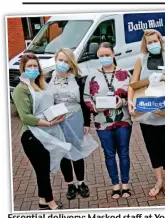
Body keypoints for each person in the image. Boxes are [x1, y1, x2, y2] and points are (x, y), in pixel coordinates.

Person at [12, 53, 71, 210]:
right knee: (42, 171)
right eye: (29, 67)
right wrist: (49, 123)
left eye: (35, 66)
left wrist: (57, 113)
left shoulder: (41, 84)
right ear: (23, 69)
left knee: (43, 169)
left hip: (47, 132)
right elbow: (26, 117)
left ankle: (42, 200)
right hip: (32, 135)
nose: (33, 69)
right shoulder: (20, 90)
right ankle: (51, 203)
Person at [127, 29, 165, 199]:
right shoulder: (141, 60)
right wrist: (129, 100)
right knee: (152, 150)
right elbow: (133, 83)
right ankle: (158, 181)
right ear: (145, 44)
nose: (153, 45)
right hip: (146, 115)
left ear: (160, 41)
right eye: (149, 42)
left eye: (155, 41)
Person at [83, 42, 132, 199]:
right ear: (98, 56)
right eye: (101, 55)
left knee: (123, 153)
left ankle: (125, 184)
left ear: (113, 55)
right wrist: (96, 108)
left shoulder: (125, 73)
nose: (104, 58)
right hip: (102, 122)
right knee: (109, 154)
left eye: (107, 55)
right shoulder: (92, 75)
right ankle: (115, 185)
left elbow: (133, 95)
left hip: (123, 119)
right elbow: (86, 97)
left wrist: (123, 102)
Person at [48, 48, 98, 200]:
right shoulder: (48, 79)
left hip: (75, 118)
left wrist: (87, 122)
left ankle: (81, 182)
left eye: (66, 61)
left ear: (71, 64)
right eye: (60, 60)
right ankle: (70, 184)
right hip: (58, 119)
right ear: (56, 60)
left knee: (77, 150)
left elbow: (84, 102)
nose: (62, 63)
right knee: (63, 151)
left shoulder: (77, 79)